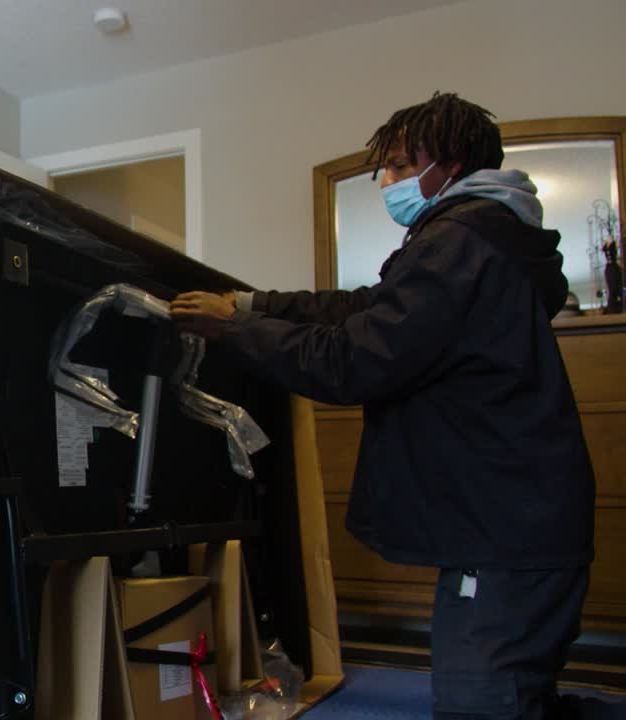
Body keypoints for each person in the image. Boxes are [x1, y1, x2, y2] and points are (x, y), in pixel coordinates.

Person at [171, 93, 602, 718]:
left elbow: (356, 360)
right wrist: (249, 305)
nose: (390, 182)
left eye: (401, 165)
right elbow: (363, 307)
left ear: (449, 163)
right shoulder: (483, 234)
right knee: (515, 688)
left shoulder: (459, 241)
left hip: (505, 533)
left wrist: (234, 332)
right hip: (516, 521)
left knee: (481, 705)